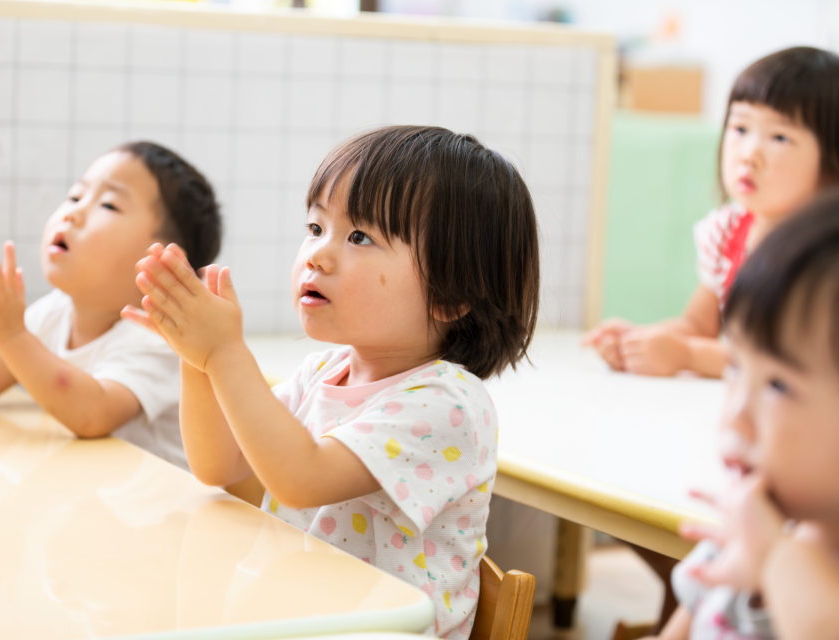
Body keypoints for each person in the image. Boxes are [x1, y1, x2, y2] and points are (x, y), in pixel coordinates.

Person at [122, 125, 540, 638]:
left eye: (359, 236)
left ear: (451, 297)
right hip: (305, 612)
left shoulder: (447, 403)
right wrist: (198, 359)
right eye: (316, 227)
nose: (317, 254)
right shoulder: (325, 371)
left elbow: (300, 479)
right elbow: (219, 464)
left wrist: (226, 352)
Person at [0, 141, 221, 469]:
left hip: (169, 512)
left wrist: (12, 336)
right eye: (75, 196)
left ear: (165, 264)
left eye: (109, 205)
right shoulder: (55, 311)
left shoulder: (161, 338)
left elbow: (93, 415)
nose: (74, 212)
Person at [645, 189, 839, 639]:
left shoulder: (772, 546)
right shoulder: (753, 524)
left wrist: (772, 558)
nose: (735, 417)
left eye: (777, 385)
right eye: (734, 367)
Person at [584, 46, 839, 378]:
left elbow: (786, 362)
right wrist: (638, 342)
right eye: (740, 129)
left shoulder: (824, 254)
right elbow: (698, 324)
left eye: (779, 137)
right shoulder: (729, 233)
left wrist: (688, 356)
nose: (749, 155)